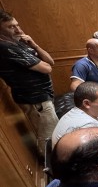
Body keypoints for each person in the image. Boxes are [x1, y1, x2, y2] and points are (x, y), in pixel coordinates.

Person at [0, 10, 58, 156]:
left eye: (17, 25)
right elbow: (46, 68)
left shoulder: (18, 43)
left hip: (43, 96)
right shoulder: (5, 48)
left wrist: (34, 45)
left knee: (53, 134)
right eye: (11, 27)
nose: (18, 29)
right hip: (35, 100)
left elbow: (50, 61)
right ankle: (54, 172)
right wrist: (44, 64)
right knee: (49, 139)